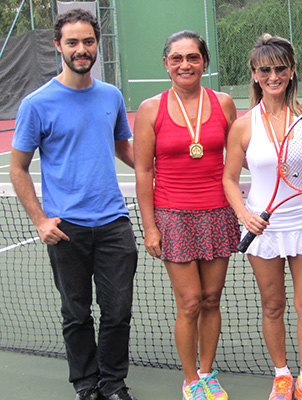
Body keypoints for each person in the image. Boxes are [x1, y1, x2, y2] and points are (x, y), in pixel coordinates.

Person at [9, 9, 138, 400]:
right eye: (72, 42)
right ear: (58, 46)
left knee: (118, 312)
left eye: (88, 41)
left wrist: (164, 172)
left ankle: (113, 384)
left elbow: (124, 149)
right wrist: (40, 220)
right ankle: (86, 385)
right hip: (66, 229)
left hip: (114, 224)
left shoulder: (111, 96)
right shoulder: (36, 104)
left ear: (97, 44)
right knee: (76, 314)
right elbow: (18, 168)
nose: (81, 49)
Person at [222, 34, 302, 400]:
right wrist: (244, 215)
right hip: (263, 227)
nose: (273, 76)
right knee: (273, 305)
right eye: (265, 70)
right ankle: (282, 375)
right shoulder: (243, 126)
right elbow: (229, 178)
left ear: (292, 70)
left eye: (281, 68)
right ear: (254, 74)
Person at [133, 30, 240, 400]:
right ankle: (190, 379)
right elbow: (143, 171)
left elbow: (240, 155)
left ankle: (208, 374)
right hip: (173, 216)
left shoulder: (224, 103)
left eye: (193, 57)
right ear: (166, 64)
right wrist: (150, 226)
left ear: (204, 62)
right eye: (177, 58)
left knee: (211, 299)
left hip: (218, 214)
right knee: (190, 301)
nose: (185, 64)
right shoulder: (151, 109)